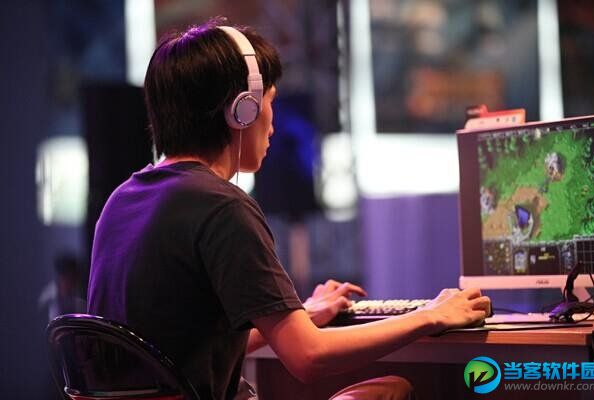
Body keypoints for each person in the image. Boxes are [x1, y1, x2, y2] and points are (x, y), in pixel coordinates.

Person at [87, 18, 491, 400]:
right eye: (270, 102)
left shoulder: (123, 199)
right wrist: (431, 315)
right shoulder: (221, 207)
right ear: (241, 109)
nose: (273, 124)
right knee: (391, 389)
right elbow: (309, 358)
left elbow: (187, 350)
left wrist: (298, 318)